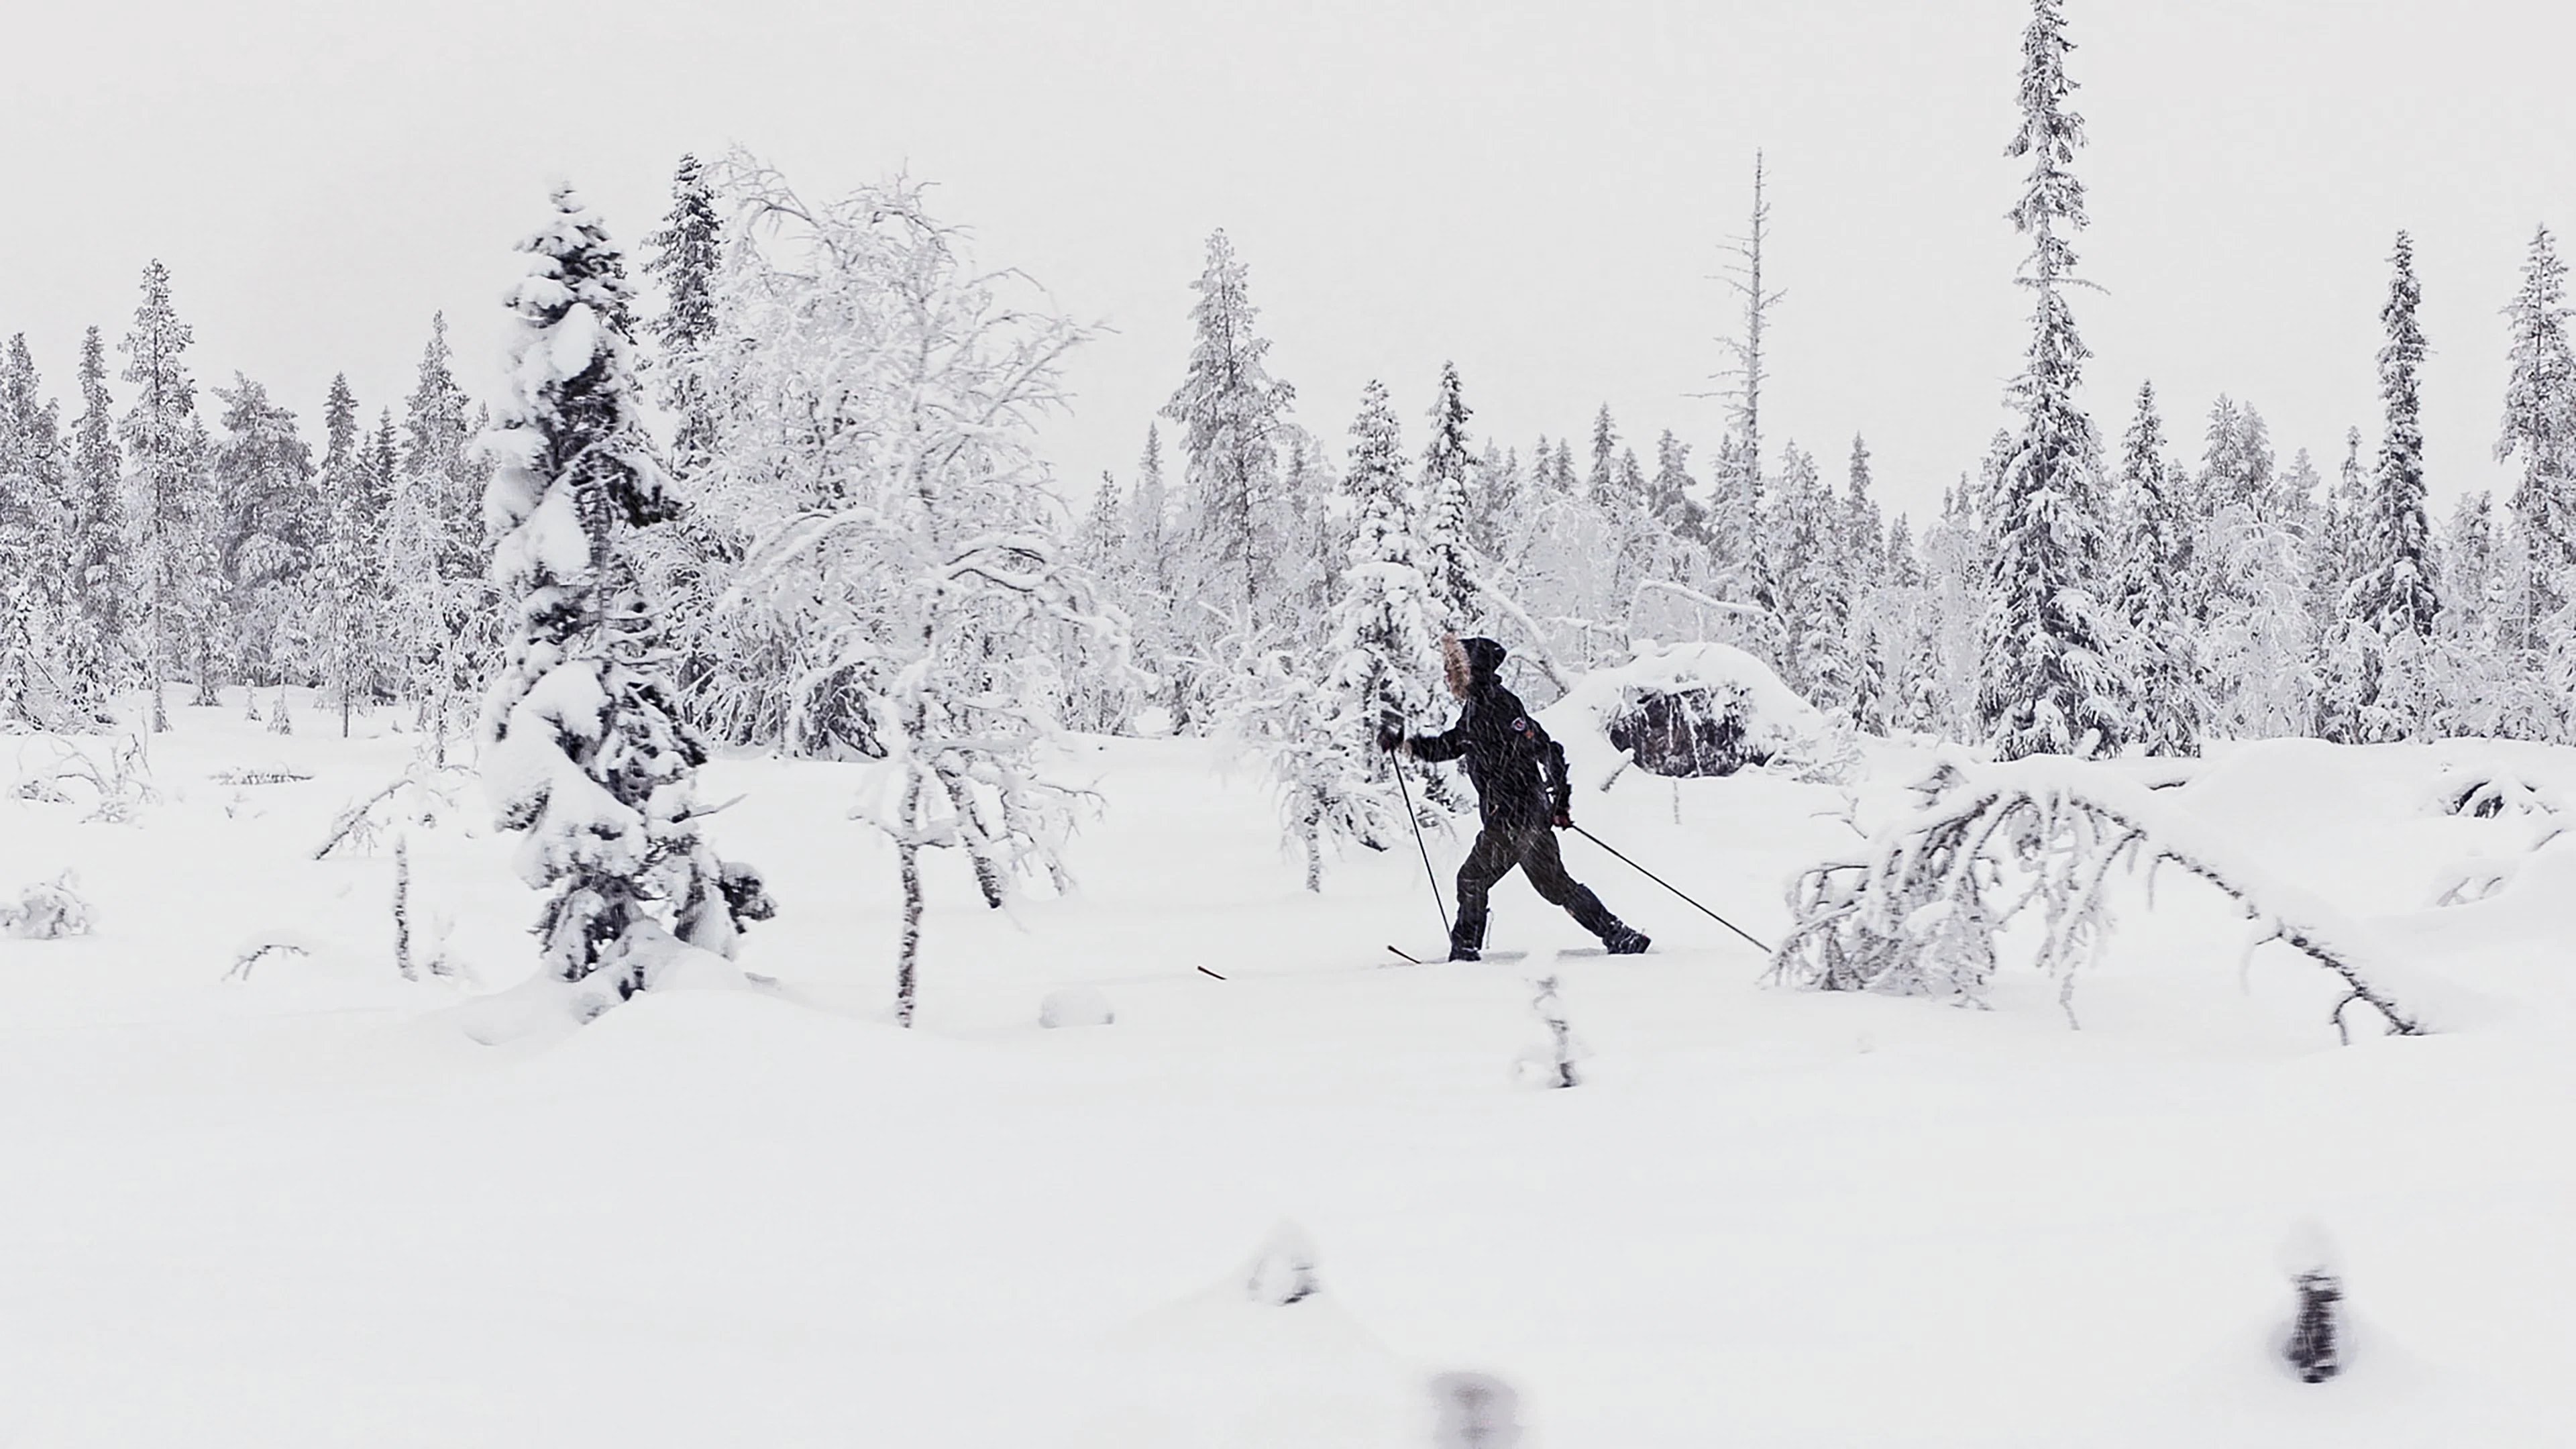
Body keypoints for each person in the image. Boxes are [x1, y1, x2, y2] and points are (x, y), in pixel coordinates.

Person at [1379, 635, 1649, 961]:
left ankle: (1465, 953)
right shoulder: (1482, 707)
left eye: (1453, 668)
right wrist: (1405, 745)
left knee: (1472, 879)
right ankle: (1619, 935)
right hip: (1525, 816)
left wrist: (1559, 803)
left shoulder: (1496, 706)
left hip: (1511, 819)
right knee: (1556, 887)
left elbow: (1546, 749)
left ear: (1472, 670)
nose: (1447, 675)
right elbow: (1454, 746)